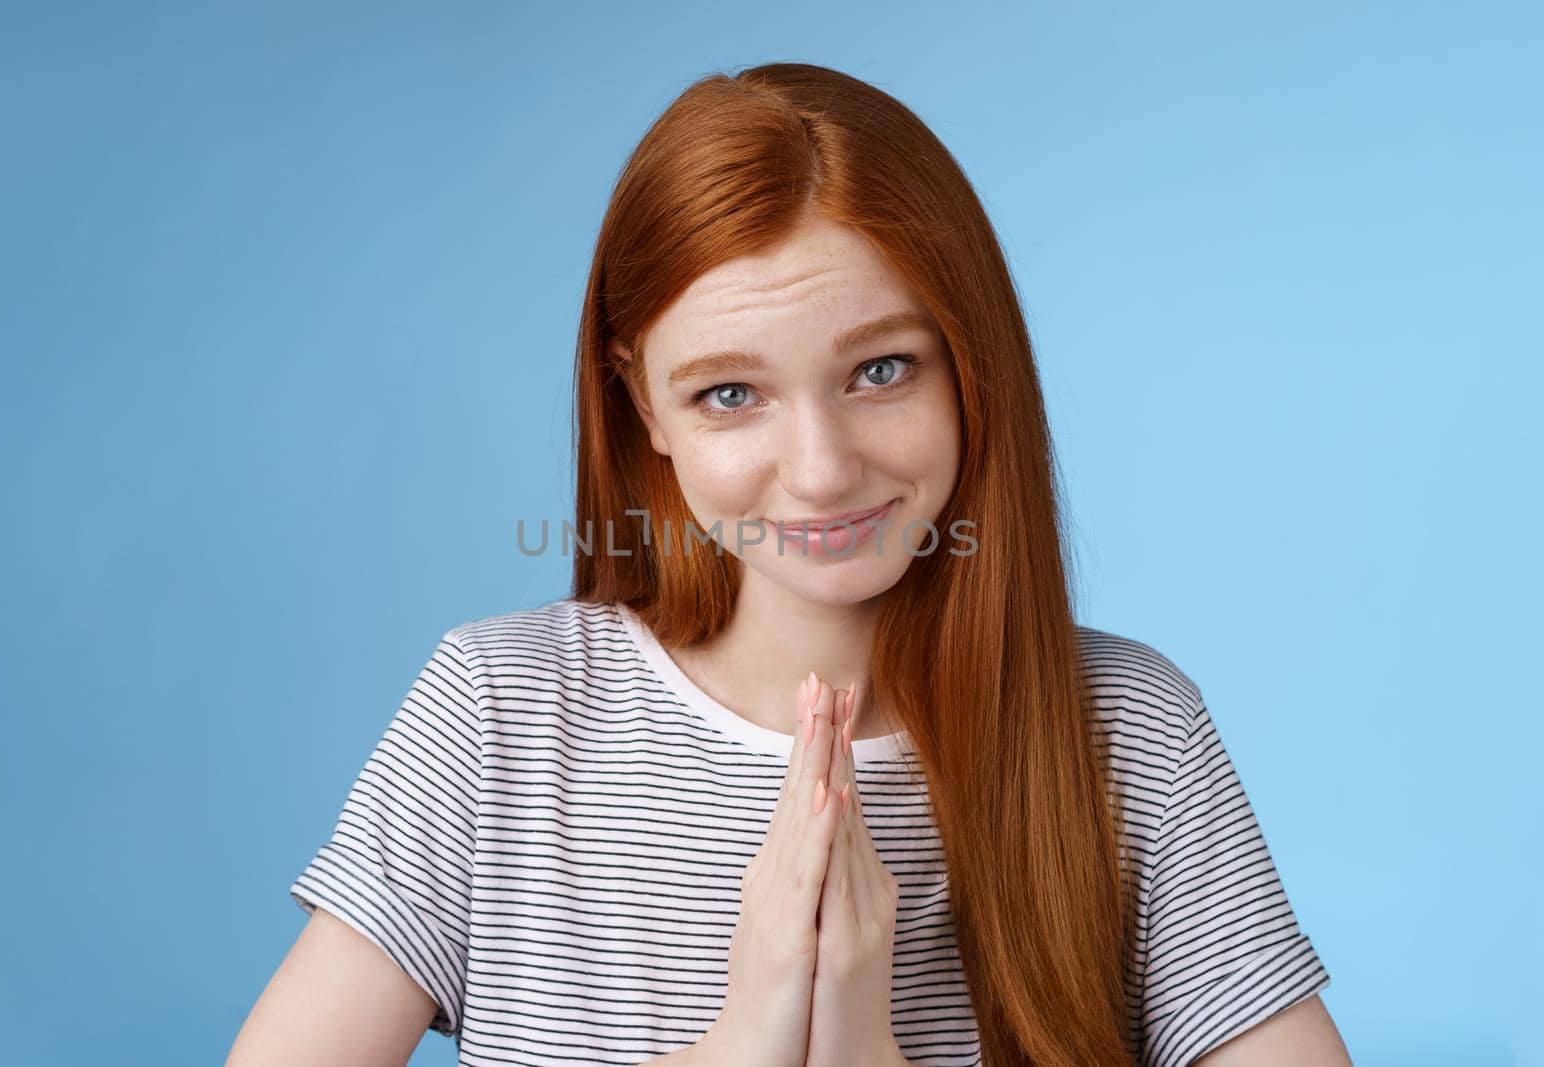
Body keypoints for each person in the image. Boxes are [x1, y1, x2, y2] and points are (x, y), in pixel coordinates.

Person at [227, 62, 1352, 1067]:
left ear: (971, 365)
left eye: (880, 371)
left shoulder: (1128, 730)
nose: (819, 471)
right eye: (730, 392)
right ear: (641, 406)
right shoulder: (502, 710)